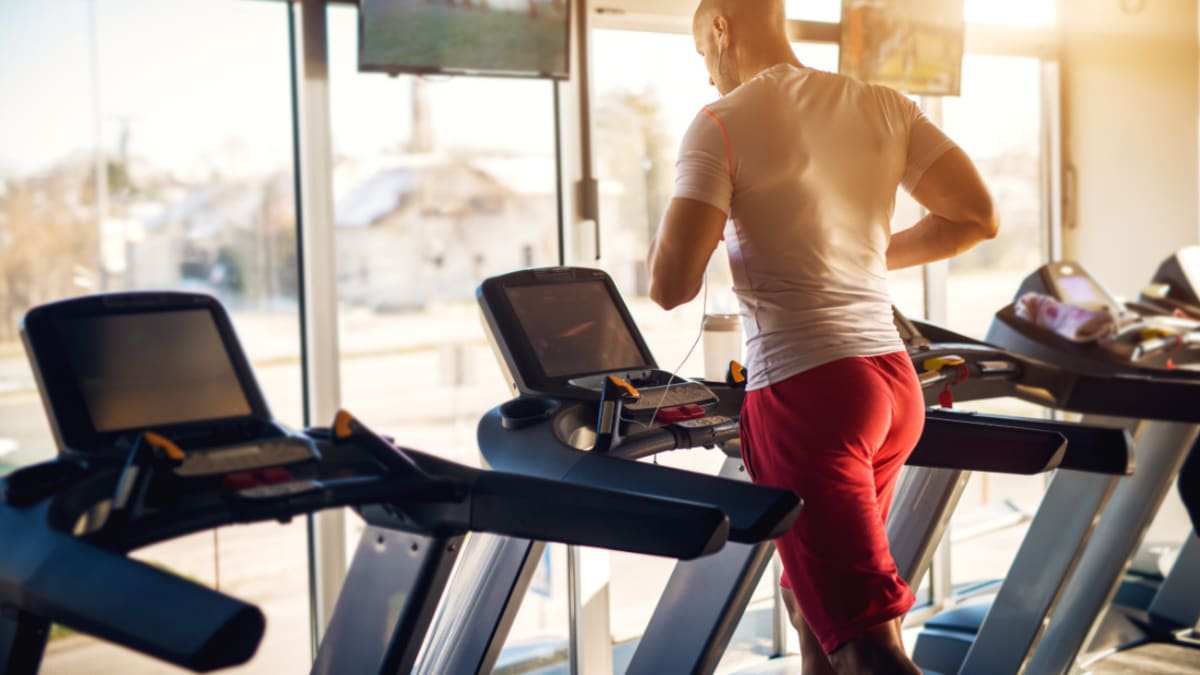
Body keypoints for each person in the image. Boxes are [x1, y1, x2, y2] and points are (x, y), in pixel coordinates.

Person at [645, 1, 998, 673]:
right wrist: (851, 255)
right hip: (892, 386)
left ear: (721, 28)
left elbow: (671, 285)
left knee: (869, 646)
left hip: (812, 394)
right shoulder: (883, 104)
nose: (707, 74)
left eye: (701, 54)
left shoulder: (721, 122)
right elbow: (975, 217)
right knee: (814, 614)